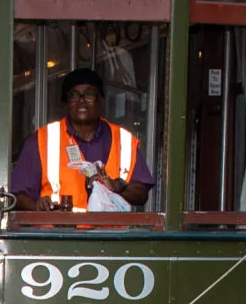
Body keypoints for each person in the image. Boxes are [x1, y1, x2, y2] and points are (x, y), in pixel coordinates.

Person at [9, 67, 156, 212]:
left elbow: (141, 193)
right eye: (74, 95)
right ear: (66, 102)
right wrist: (37, 206)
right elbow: (17, 196)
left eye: (89, 94)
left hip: (110, 235)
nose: (81, 101)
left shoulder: (124, 140)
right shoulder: (42, 140)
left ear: (100, 100)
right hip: (58, 234)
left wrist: (118, 187)